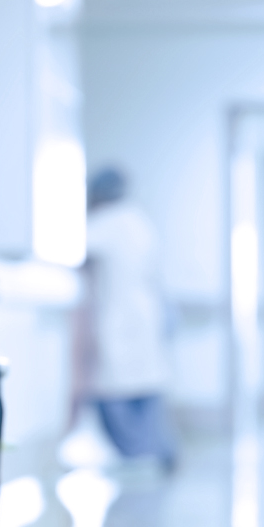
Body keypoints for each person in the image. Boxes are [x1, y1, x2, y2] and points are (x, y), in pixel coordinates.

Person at [81, 167, 176, 469]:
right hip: (146, 315)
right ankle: (153, 450)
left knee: (114, 389)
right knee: (145, 387)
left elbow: (76, 257)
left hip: (116, 316)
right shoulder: (141, 222)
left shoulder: (103, 223)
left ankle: (137, 455)